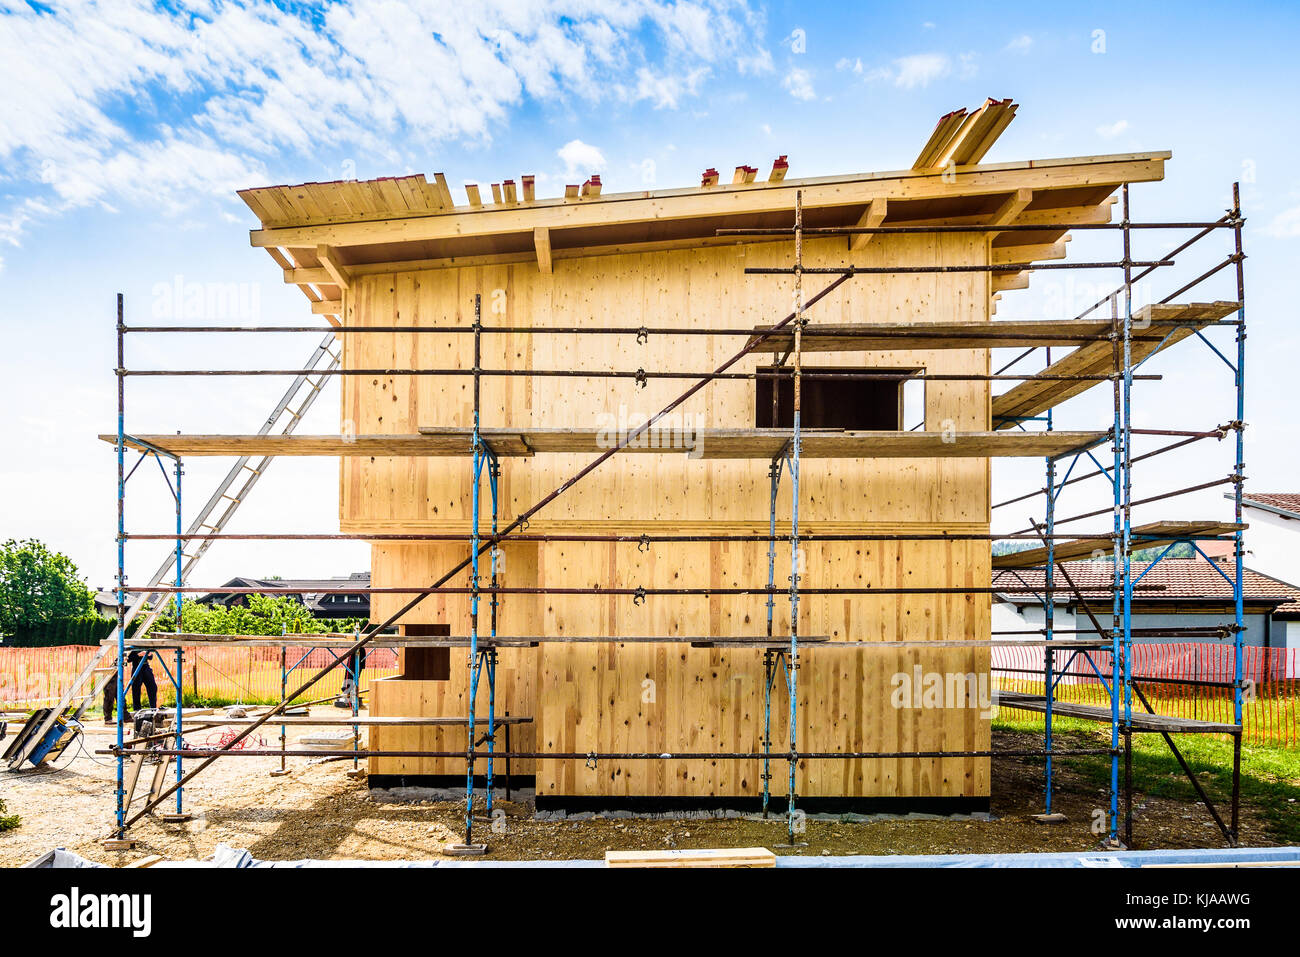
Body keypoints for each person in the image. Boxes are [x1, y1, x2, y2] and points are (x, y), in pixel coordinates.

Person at [103, 649, 157, 724]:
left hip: (144, 668)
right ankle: (136, 711)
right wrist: (139, 655)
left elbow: (150, 657)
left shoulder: (143, 647)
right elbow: (129, 659)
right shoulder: (131, 649)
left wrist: (149, 654)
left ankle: (152, 709)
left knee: (152, 688)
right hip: (133, 668)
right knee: (134, 690)